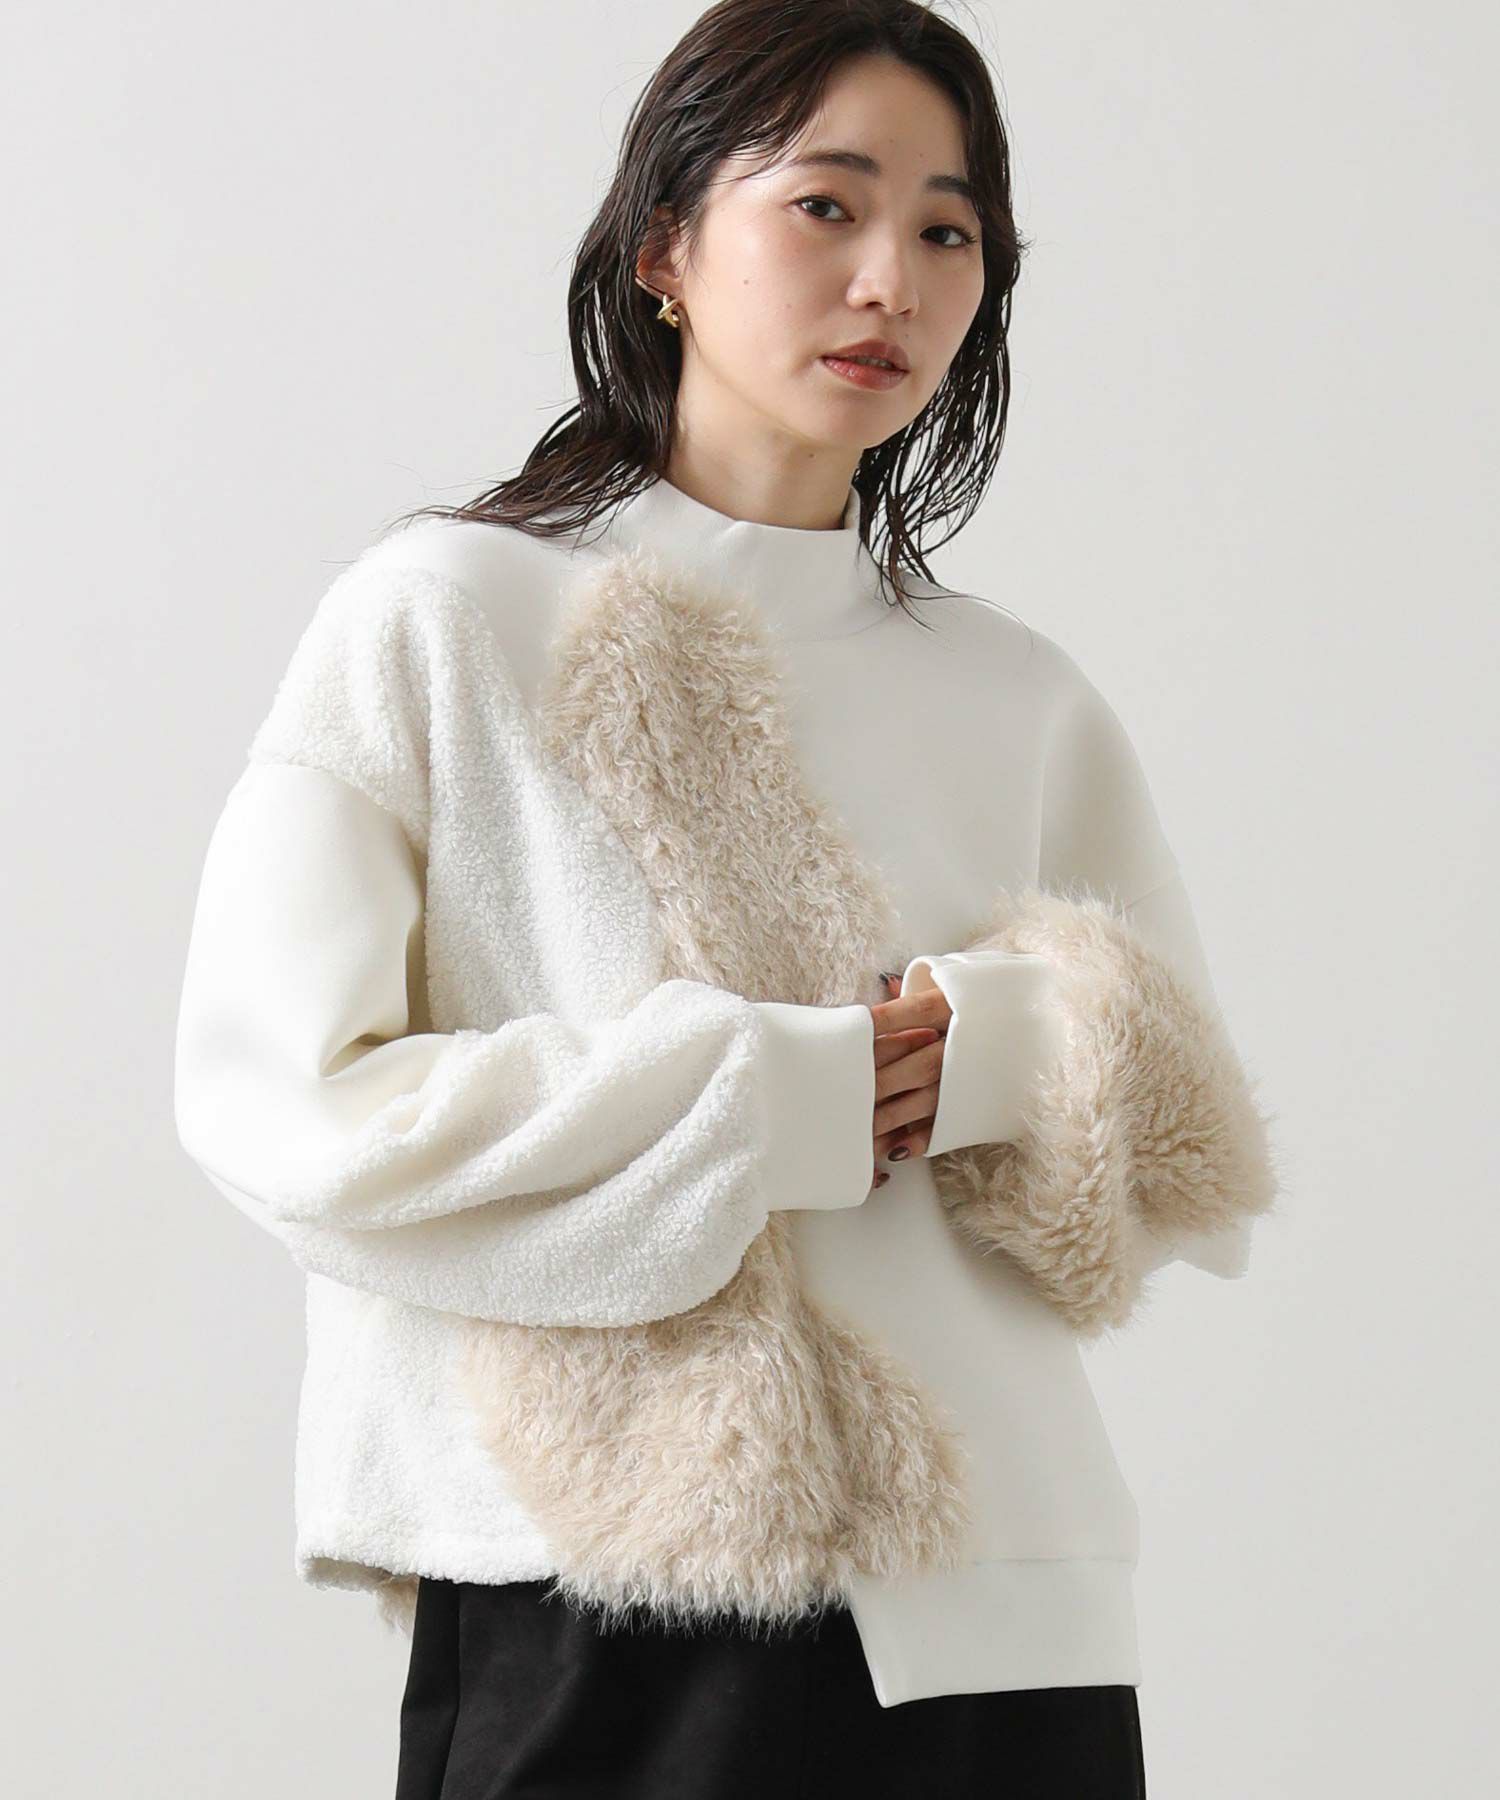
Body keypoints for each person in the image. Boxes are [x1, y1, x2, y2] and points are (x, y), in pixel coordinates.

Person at [172, 2, 1281, 1794]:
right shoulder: (447, 618)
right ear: (664, 248)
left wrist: (1011, 1047)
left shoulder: (1022, 697)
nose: (891, 281)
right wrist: (768, 1097)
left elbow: (1186, 1177)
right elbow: (284, 1108)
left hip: (1011, 1597)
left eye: (947, 231)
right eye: (826, 205)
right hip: (607, 1587)